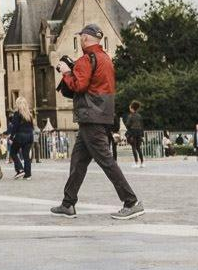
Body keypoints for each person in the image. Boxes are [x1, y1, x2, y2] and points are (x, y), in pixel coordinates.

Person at [51, 24, 142, 219]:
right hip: (101, 114)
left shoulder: (86, 59)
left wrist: (66, 72)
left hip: (89, 115)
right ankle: (68, 203)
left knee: (106, 161)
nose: (80, 40)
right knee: (78, 161)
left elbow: (79, 86)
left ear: (85, 38)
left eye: (81, 37)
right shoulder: (105, 58)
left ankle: (131, 201)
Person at [8, 97, 36, 178]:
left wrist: (11, 137)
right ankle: (28, 174)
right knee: (26, 155)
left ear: (18, 104)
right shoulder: (29, 115)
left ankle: (20, 170)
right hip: (30, 136)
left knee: (13, 152)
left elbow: (15, 127)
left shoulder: (17, 113)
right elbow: (32, 127)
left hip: (20, 136)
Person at [123, 101, 144, 168]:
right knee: (138, 148)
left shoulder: (130, 116)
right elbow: (141, 125)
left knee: (134, 147)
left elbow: (127, 125)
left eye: (130, 107)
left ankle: (136, 162)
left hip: (133, 132)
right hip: (139, 132)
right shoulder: (139, 116)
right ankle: (142, 163)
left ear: (132, 108)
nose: (129, 108)